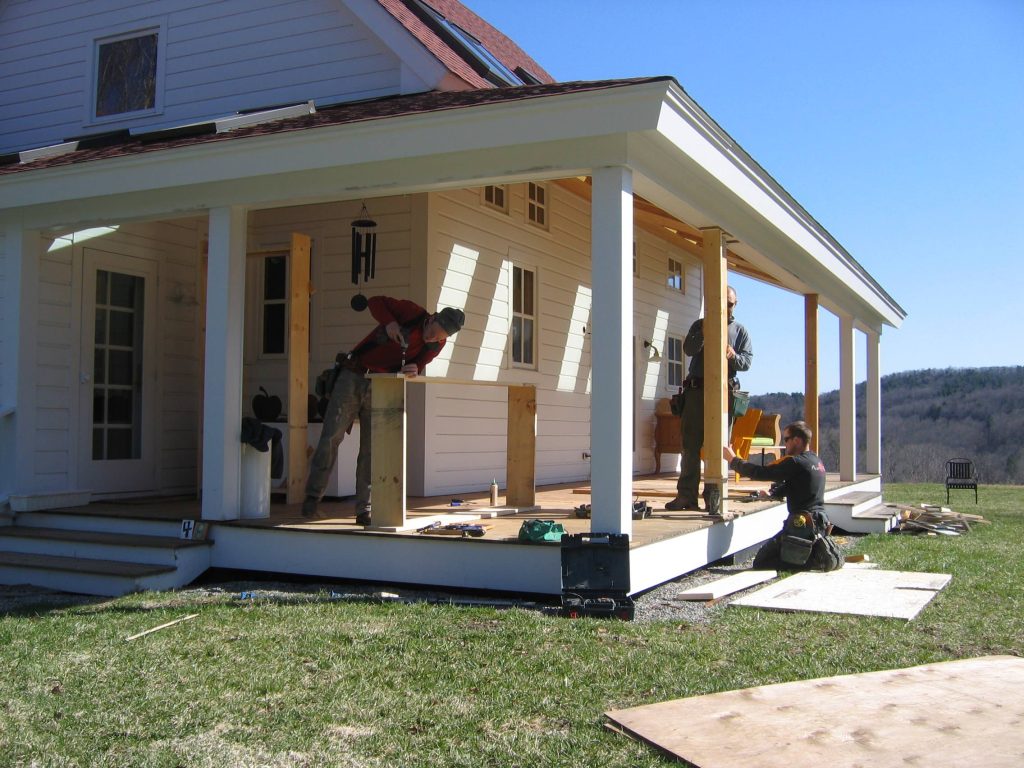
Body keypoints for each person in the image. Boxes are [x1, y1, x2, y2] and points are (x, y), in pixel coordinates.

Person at [302, 296, 465, 523]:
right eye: (435, 331)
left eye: (440, 337)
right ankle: (311, 501)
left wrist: (415, 367)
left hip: (381, 385)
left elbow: (419, 363)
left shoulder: (436, 344)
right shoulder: (411, 312)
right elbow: (375, 302)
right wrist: (390, 323)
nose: (433, 338)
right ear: (433, 318)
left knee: (371, 448)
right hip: (353, 374)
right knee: (331, 437)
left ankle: (363, 510)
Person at [665, 286, 753, 515]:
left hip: (724, 395)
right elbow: (688, 349)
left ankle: (714, 497)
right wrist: (704, 332)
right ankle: (686, 496)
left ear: (736, 304)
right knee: (690, 446)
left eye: (730, 303)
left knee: (719, 447)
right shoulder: (700, 325)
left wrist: (733, 355)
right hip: (695, 393)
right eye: (722, 302)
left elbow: (747, 362)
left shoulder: (740, 331)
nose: (726, 307)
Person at [724, 420, 840, 570]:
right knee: (778, 556)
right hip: (818, 523)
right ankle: (815, 553)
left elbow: (761, 473)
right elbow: (797, 484)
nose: (784, 444)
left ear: (797, 440)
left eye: (786, 439)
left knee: (762, 562)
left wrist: (733, 460)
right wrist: (772, 493)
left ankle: (815, 561)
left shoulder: (796, 462)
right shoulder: (815, 461)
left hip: (801, 525)